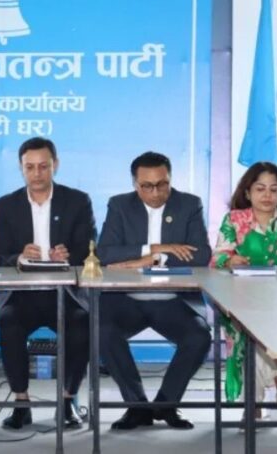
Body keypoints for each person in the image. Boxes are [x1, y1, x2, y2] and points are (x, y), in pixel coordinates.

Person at [96, 151, 212, 430]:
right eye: (147, 186)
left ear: (170, 179)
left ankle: (165, 404)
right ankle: (136, 407)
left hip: (173, 299)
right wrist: (156, 249)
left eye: (162, 184)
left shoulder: (189, 205)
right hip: (127, 299)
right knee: (102, 332)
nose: (156, 192)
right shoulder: (120, 205)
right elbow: (106, 253)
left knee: (199, 337)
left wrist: (148, 260)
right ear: (135, 184)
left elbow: (200, 255)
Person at [0, 137, 96, 430]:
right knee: (9, 322)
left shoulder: (77, 201)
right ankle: (21, 403)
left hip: (65, 293)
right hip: (22, 294)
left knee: (82, 322)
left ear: (55, 165)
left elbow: (89, 247)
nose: (37, 173)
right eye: (30, 167)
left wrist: (69, 255)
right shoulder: (6, 205)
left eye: (43, 166)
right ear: (21, 168)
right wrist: (18, 257)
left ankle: (67, 401)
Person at [211, 162, 277, 414]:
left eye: (273, 190)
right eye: (260, 189)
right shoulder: (235, 219)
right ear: (248, 193)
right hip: (241, 298)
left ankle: (253, 406)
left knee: (262, 324)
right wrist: (231, 260)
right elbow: (218, 257)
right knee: (252, 324)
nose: (267, 195)